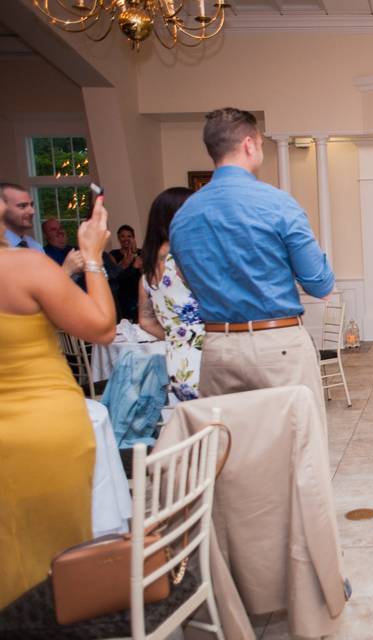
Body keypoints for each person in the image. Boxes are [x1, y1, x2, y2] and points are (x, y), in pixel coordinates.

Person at [169, 107, 335, 406]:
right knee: (296, 445)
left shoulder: (184, 216)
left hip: (218, 348)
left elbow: (190, 281)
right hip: (277, 345)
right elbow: (319, 284)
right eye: (260, 144)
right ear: (249, 144)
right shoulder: (278, 204)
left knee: (229, 446)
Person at [0, 196, 116, 608]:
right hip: (44, 430)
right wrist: (91, 256)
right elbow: (102, 327)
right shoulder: (24, 266)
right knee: (58, 561)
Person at [138, 187, 204, 401]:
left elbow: (146, 321)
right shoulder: (183, 258)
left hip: (176, 360)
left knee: (193, 426)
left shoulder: (147, 272)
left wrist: (178, 336)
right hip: (203, 358)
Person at [108, 224, 142, 321]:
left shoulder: (141, 252)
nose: (126, 239)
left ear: (133, 238)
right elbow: (115, 275)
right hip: (122, 295)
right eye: (122, 236)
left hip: (139, 294)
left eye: (129, 236)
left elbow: (146, 273)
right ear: (118, 238)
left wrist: (135, 254)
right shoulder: (113, 254)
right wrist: (125, 263)